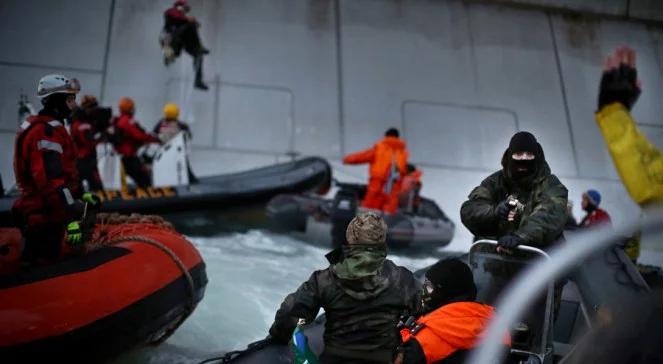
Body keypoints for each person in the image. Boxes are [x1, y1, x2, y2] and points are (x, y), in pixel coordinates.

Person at [269, 212, 420, 364]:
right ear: (382, 240)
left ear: (350, 238)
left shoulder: (325, 279)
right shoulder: (402, 279)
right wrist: (406, 349)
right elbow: (427, 310)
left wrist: (279, 336)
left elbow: (291, 313)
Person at [12, 75, 96, 265]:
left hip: (48, 213)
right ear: (57, 101)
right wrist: (71, 218)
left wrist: (81, 194)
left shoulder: (47, 128)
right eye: (69, 99)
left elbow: (63, 173)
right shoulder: (45, 132)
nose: (74, 105)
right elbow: (51, 181)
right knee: (42, 264)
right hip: (43, 219)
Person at [460, 131, 568, 251]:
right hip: (497, 259)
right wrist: (494, 212)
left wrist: (520, 237)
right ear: (510, 155)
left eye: (529, 155)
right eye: (519, 154)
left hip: (540, 261)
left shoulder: (552, 186)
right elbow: (470, 209)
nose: (524, 159)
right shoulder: (495, 182)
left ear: (536, 157)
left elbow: (547, 218)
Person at [395, 258, 503, 364]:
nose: (424, 291)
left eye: (429, 286)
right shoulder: (499, 327)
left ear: (445, 292)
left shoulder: (425, 339)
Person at [343, 128, 409, 214]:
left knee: (368, 211)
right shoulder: (403, 153)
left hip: (377, 184)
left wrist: (347, 159)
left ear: (386, 136)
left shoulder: (380, 148)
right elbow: (403, 172)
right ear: (398, 137)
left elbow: (363, 156)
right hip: (393, 186)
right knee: (388, 213)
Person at [112, 97, 160, 188]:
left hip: (121, 156)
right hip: (129, 157)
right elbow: (140, 136)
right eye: (132, 107)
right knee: (145, 179)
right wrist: (156, 139)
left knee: (133, 178)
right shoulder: (128, 121)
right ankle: (147, 199)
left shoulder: (119, 120)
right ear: (129, 108)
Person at [162, 0, 209, 90]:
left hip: (181, 42)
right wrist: (190, 20)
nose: (185, 12)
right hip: (169, 41)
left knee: (199, 55)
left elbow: (186, 23)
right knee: (170, 57)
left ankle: (198, 81)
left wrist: (193, 22)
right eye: (185, 8)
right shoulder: (171, 11)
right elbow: (176, 16)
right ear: (179, 6)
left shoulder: (183, 20)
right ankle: (168, 57)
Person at [153, 102, 197, 182]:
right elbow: (189, 136)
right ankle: (192, 181)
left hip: (163, 152)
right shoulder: (180, 125)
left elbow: (154, 134)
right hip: (177, 152)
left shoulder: (160, 123)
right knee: (184, 166)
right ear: (176, 113)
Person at [70, 95, 104, 191]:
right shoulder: (83, 124)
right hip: (86, 160)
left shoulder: (79, 122)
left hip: (80, 160)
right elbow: (88, 142)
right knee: (97, 188)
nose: (95, 110)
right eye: (93, 107)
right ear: (87, 108)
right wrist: (100, 139)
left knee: (78, 188)